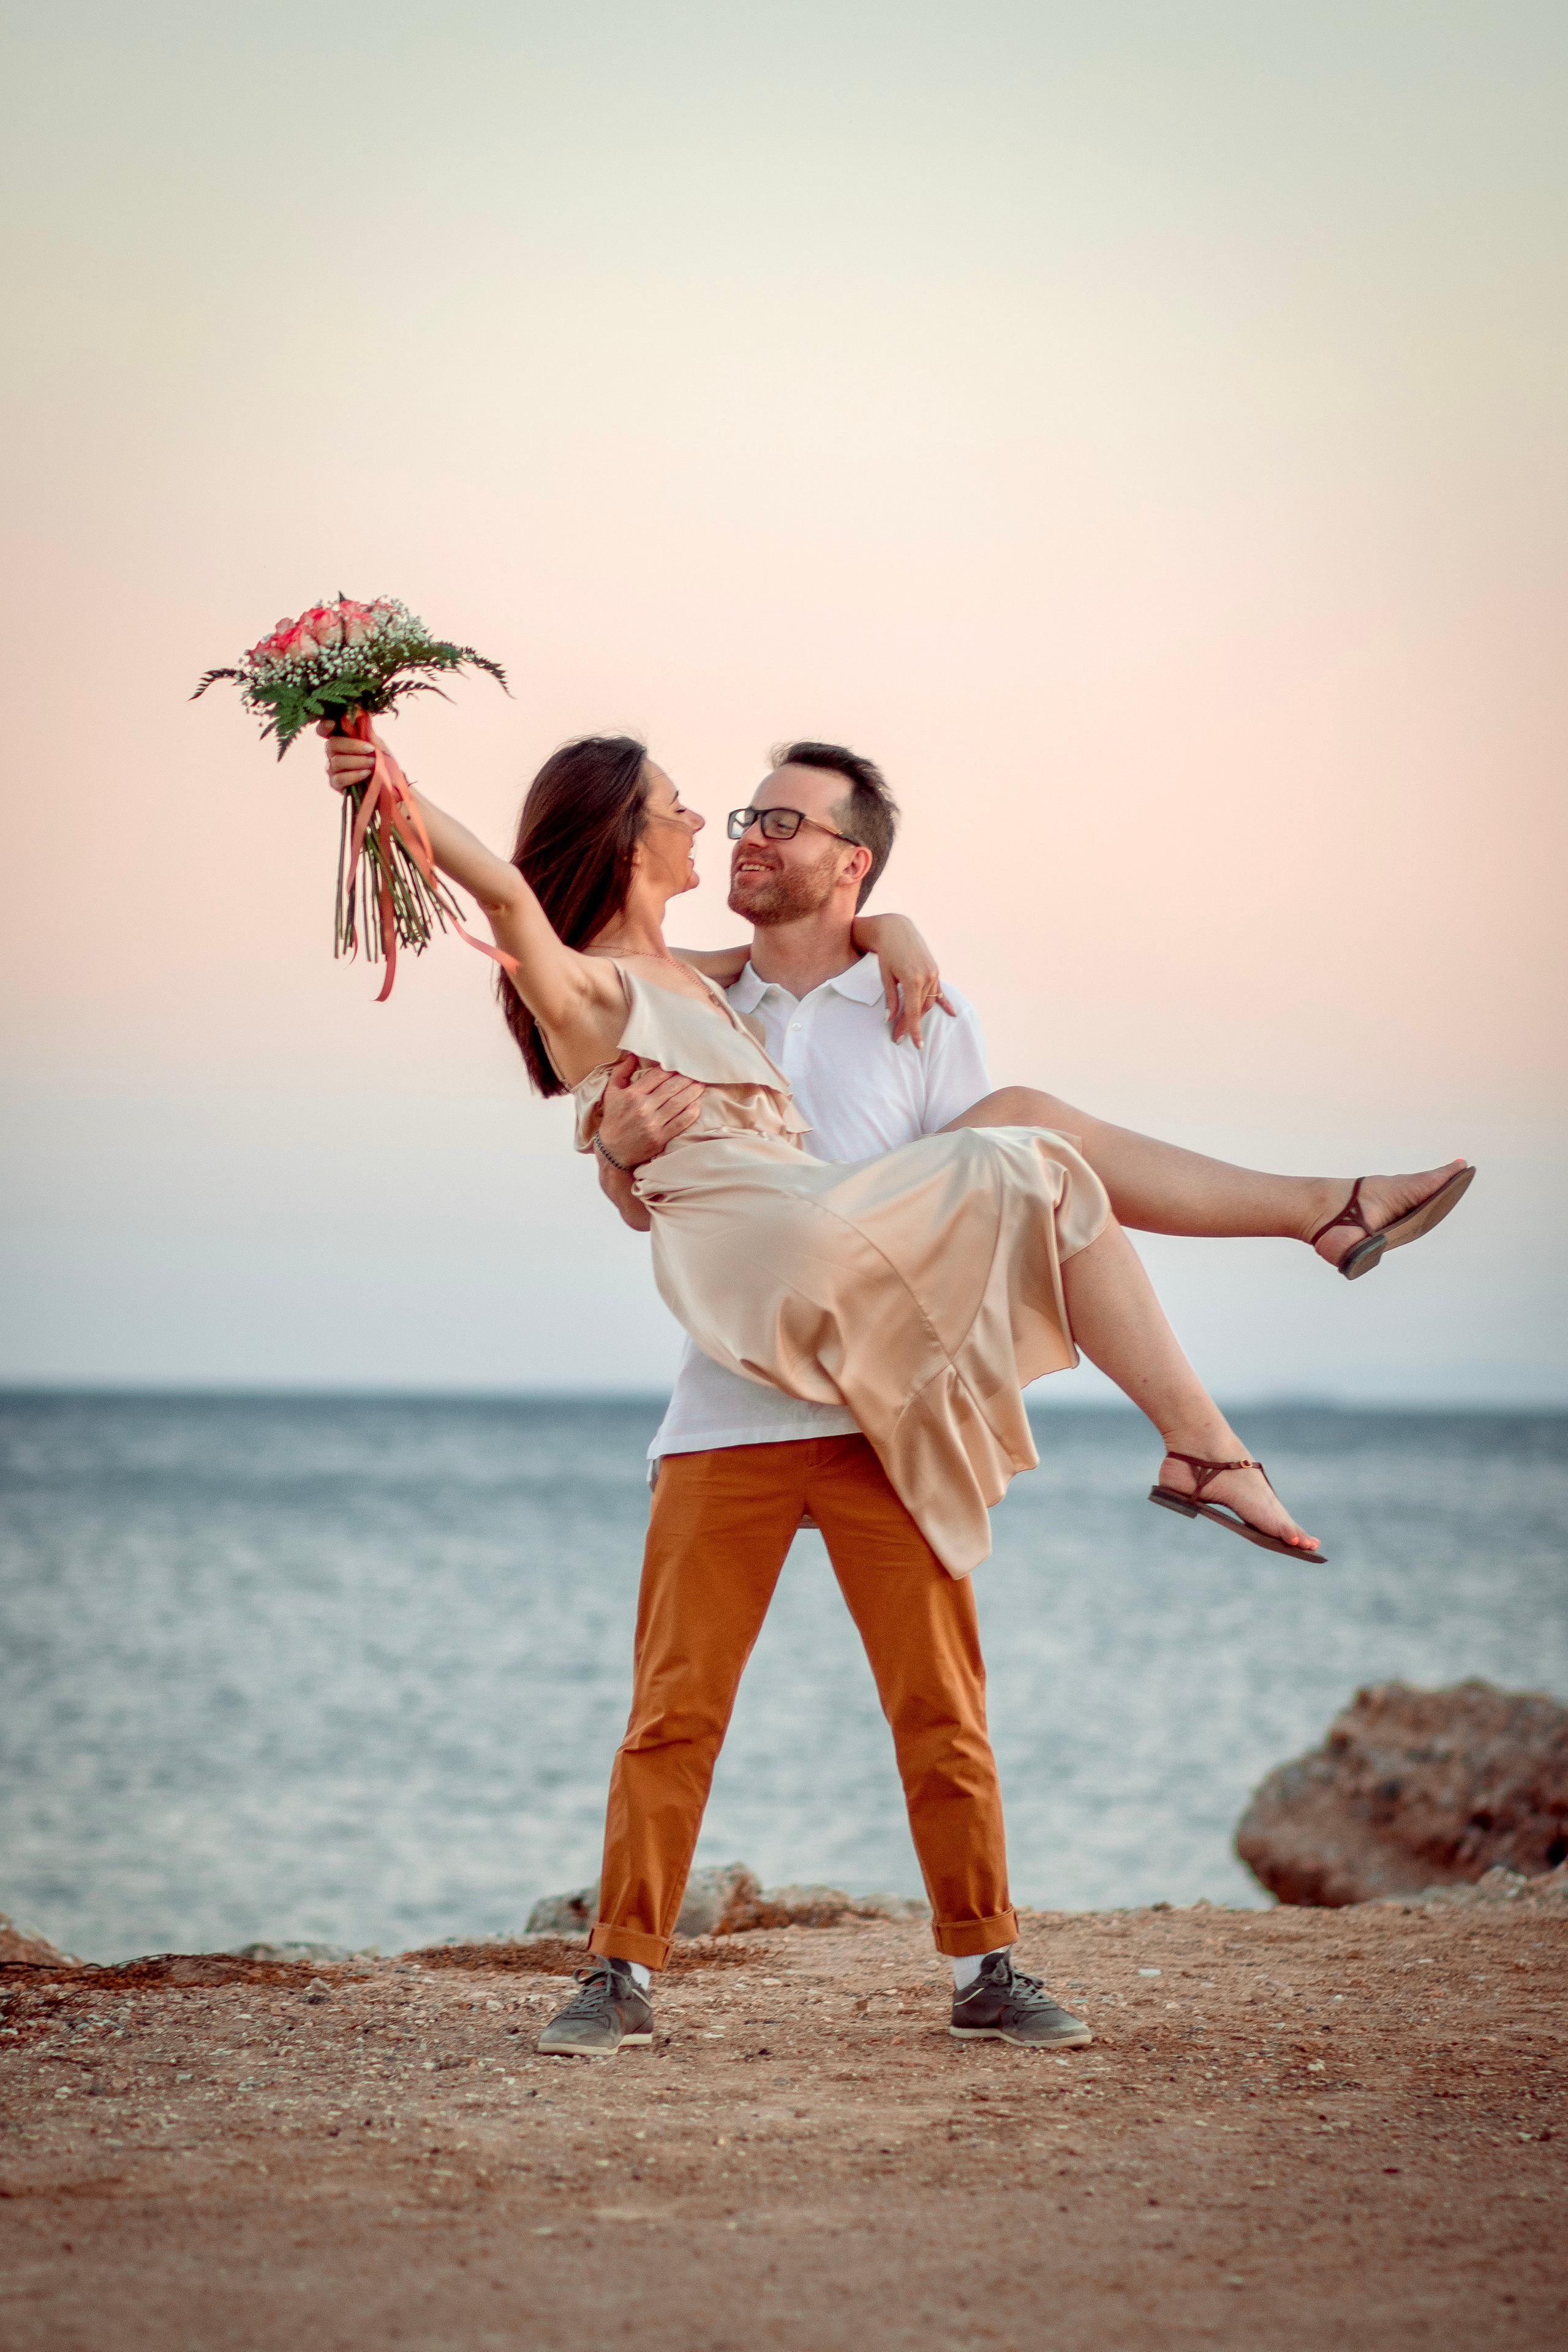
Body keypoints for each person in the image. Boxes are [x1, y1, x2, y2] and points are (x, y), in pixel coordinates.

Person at [320, 722, 1472, 2058]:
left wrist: (892, 933)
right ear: (628, 838)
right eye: (698, 811)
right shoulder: (633, 982)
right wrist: (391, 791)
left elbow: (914, 1148)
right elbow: (510, 901)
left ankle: (987, 1966)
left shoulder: (827, 992)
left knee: (943, 1703)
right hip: (738, 1387)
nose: (724, 828)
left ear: (850, 861)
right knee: (673, 1712)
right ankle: (617, 1972)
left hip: (875, 1386)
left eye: (775, 821)